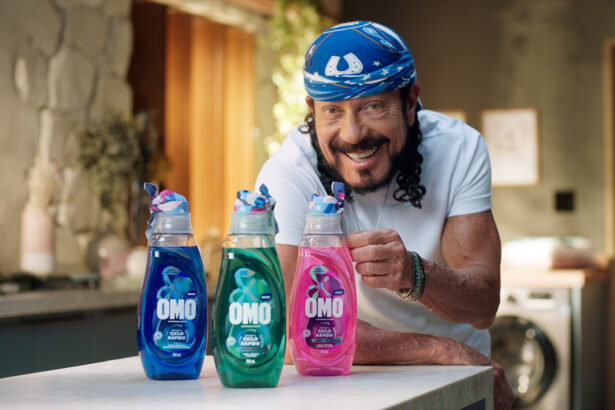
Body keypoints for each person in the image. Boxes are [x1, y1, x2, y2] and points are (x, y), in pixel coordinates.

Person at [256, 21, 513, 409]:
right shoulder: (288, 172)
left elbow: (482, 306)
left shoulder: (459, 148)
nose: (352, 134)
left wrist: (414, 273)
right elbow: (290, 328)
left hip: (459, 380)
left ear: (410, 102)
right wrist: (437, 350)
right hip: (355, 381)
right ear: (312, 110)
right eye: (332, 110)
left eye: (372, 106)